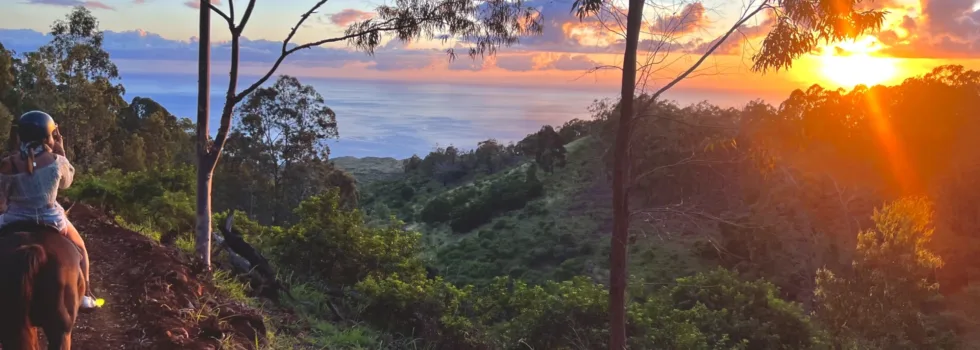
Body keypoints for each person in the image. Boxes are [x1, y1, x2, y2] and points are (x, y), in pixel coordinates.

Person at [0, 110, 98, 309]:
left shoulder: (7, 163)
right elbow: (66, 184)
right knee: (80, 249)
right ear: (48, 136)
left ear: (20, 136)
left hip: (13, 218)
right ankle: (85, 295)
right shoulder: (56, 161)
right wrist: (60, 150)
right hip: (52, 219)